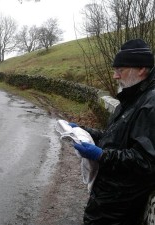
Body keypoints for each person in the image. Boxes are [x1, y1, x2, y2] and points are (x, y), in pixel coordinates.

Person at [70, 39, 155, 225]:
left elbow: (145, 161)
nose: (115, 76)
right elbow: (115, 137)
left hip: (119, 210)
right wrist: (85, 132)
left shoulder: (150, 103)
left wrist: (102, 156)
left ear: (141, 69)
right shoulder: (131, 97)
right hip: (106, 200)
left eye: (120, 70)